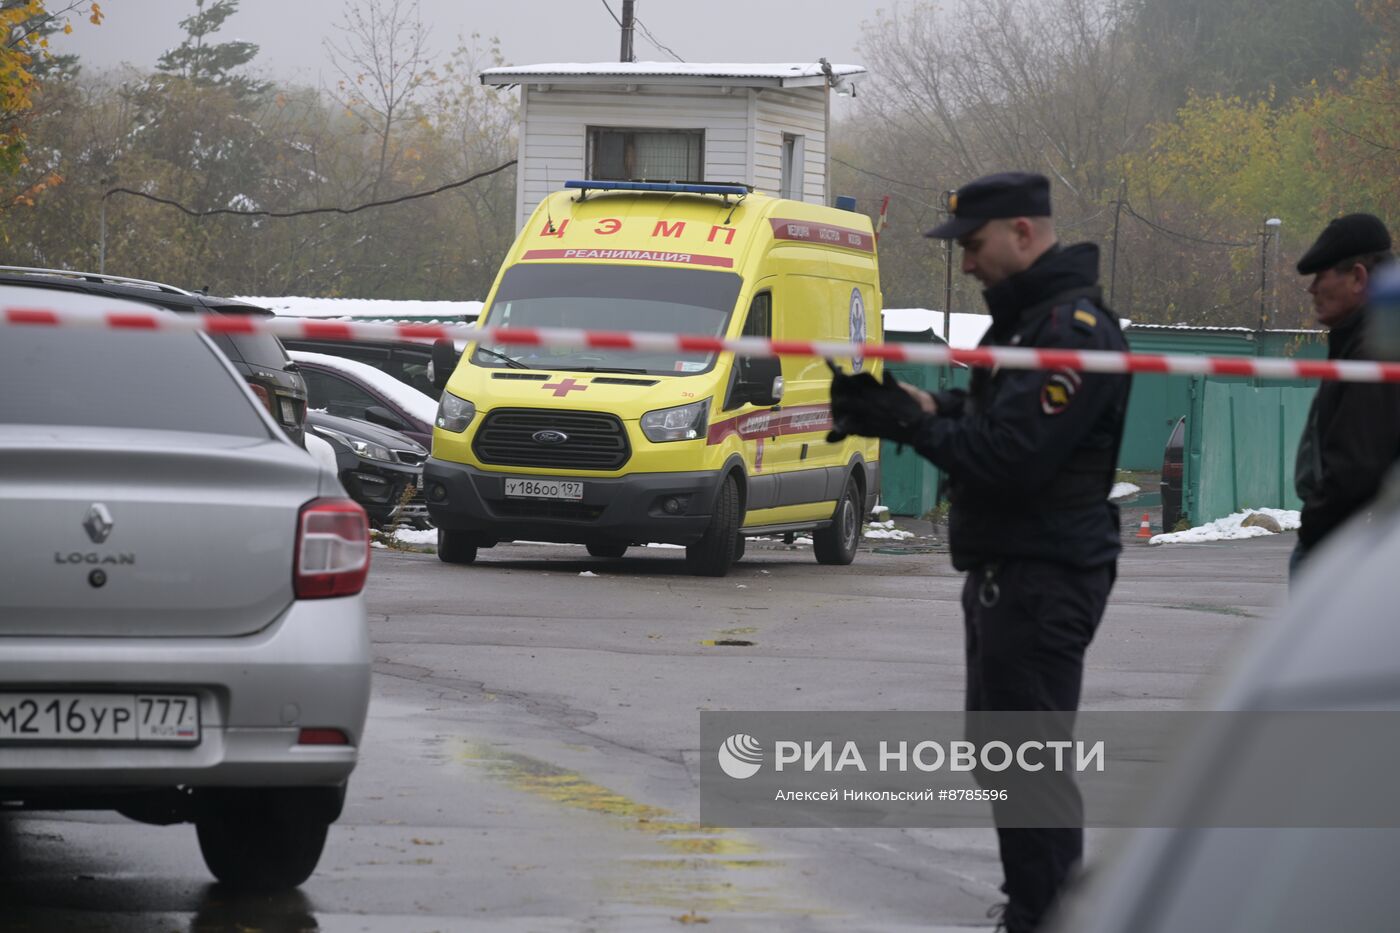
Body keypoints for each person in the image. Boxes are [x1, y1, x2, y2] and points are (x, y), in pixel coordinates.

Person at [827, 172, 1130, 933]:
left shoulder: (1073, 331)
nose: (965, 262)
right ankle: (1036, 907)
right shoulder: (1028, 323)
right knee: (1004, 755)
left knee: (1028, 762)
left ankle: (1048, 916)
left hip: (1046, 569)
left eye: (974, 244)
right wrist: (920, 405)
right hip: (1010, 567)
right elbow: (993, 416)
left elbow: (1013, 455)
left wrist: (913, 429)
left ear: (1023, 231)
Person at [1291, 213, 1400, 578]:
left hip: (1346, 547)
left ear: (1357, 277)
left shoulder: (1377, 347)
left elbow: (1357, 465)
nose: (1312, 289)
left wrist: (1315, 529)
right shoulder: (1365, 338)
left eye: (1321, 276)